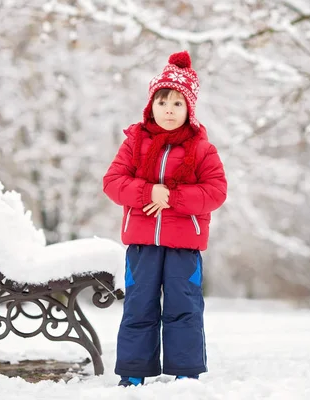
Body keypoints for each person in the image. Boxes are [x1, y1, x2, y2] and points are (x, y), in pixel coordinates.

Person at [102, 50, 227, 387]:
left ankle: (185, 370)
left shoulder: (202, 149)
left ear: (189, 110)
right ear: (150, 106)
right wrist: (148, 192)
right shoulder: (134, 143)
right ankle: (133, 371)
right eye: (162, 102)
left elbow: (215, 191)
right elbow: (113, 183)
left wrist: (172, 197)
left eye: (177, 104)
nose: (168, 110)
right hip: (142, 244)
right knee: (139, 305)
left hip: (184, 244)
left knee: (183, 306)